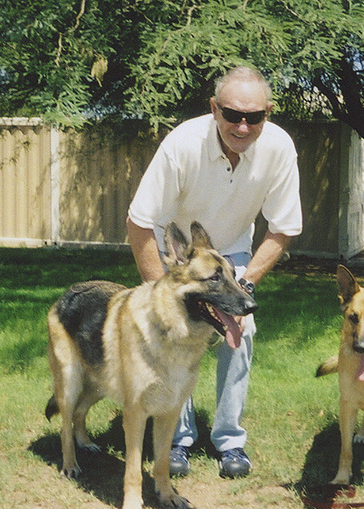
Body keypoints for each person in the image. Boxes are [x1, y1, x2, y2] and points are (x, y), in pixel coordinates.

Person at [126, 65, 303, 479]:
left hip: (233, 253)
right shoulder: (182, 144)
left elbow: (283, 227)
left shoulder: (278, 147)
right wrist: (161, 294)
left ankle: (229, 441)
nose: (242, 126)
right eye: (232, 114)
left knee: (241, 332)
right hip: (181, 256)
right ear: (213, 108)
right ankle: (177, 440)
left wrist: (244, 284)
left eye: (254, 117)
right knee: (174, 332)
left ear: (268, 114)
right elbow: (139, 223)